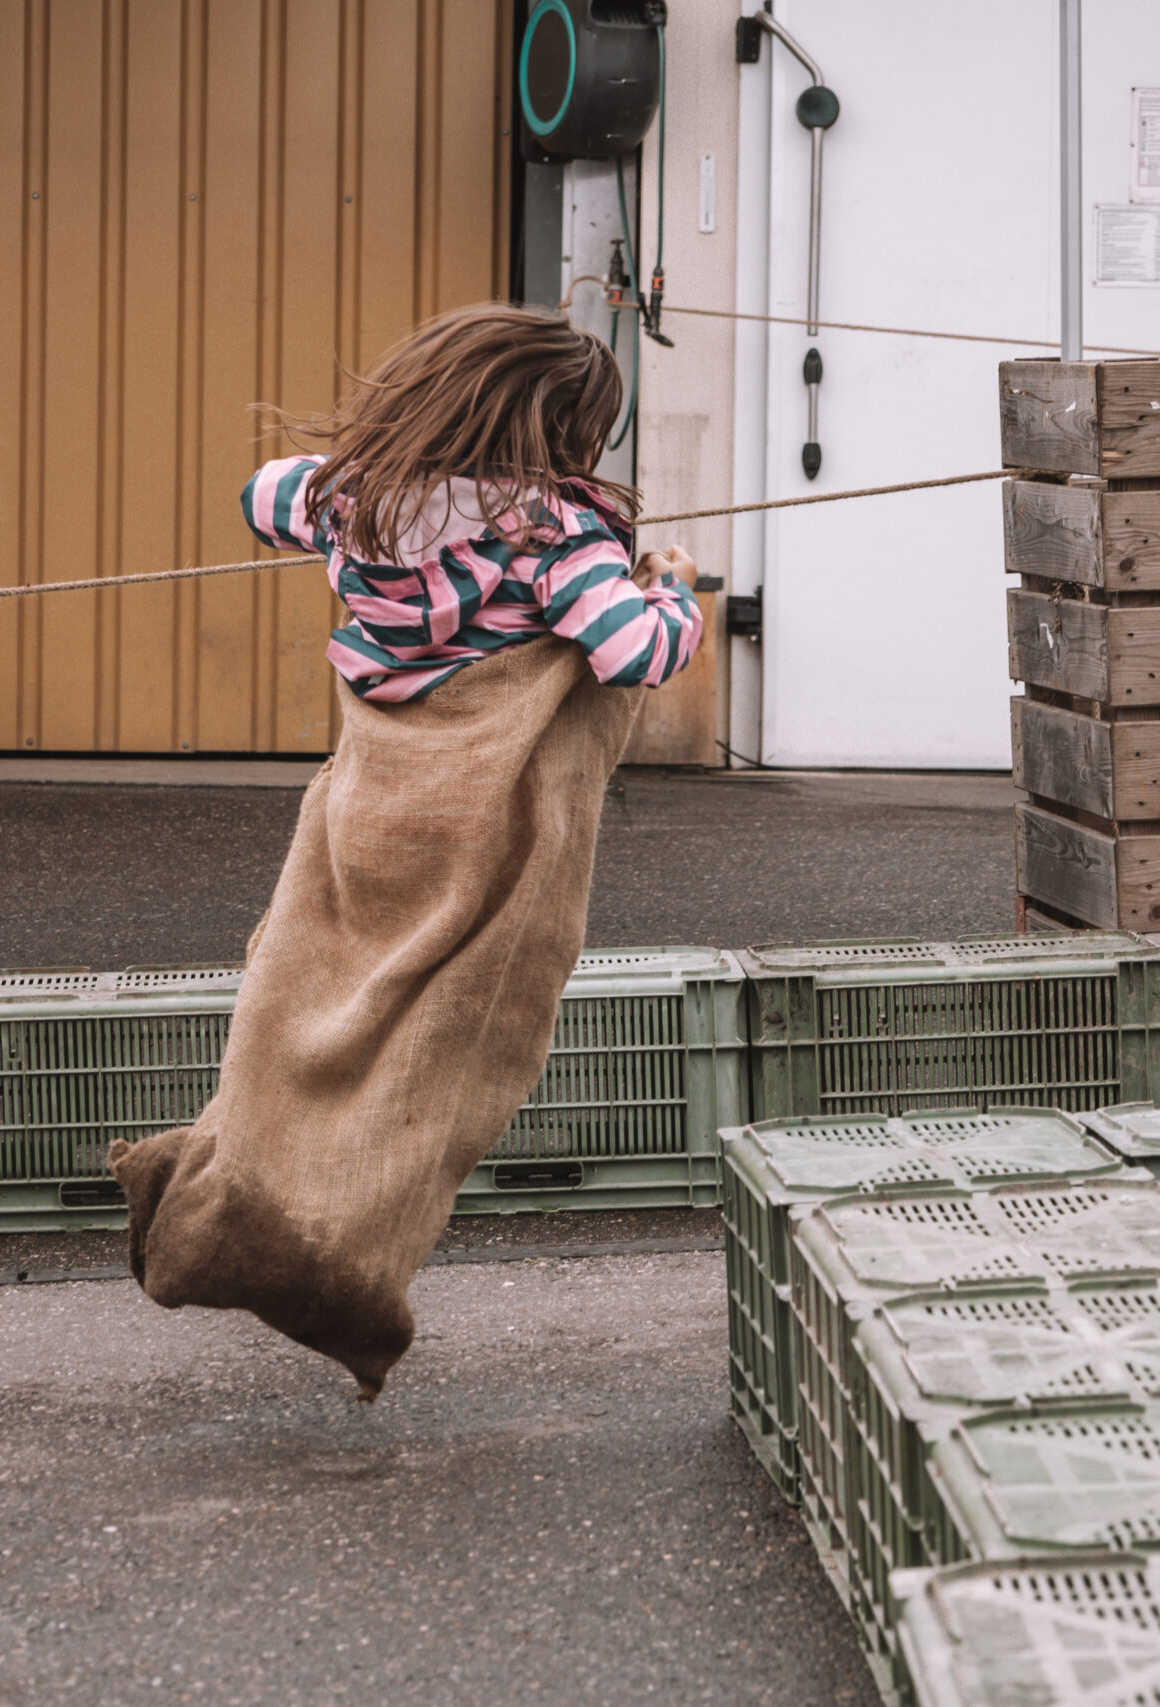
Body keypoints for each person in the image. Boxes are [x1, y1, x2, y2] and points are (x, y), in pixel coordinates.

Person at [111, 304, 704, 1399]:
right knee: (431, 1038)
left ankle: (223, 1189)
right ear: (565, 432)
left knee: (317, 1001)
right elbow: (632, 652)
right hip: (483, 818)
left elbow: (258, 496)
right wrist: (674, 589)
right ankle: (333, 1257)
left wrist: (360, 472)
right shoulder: (558, 532)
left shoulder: (346, 496)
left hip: (369, 810)